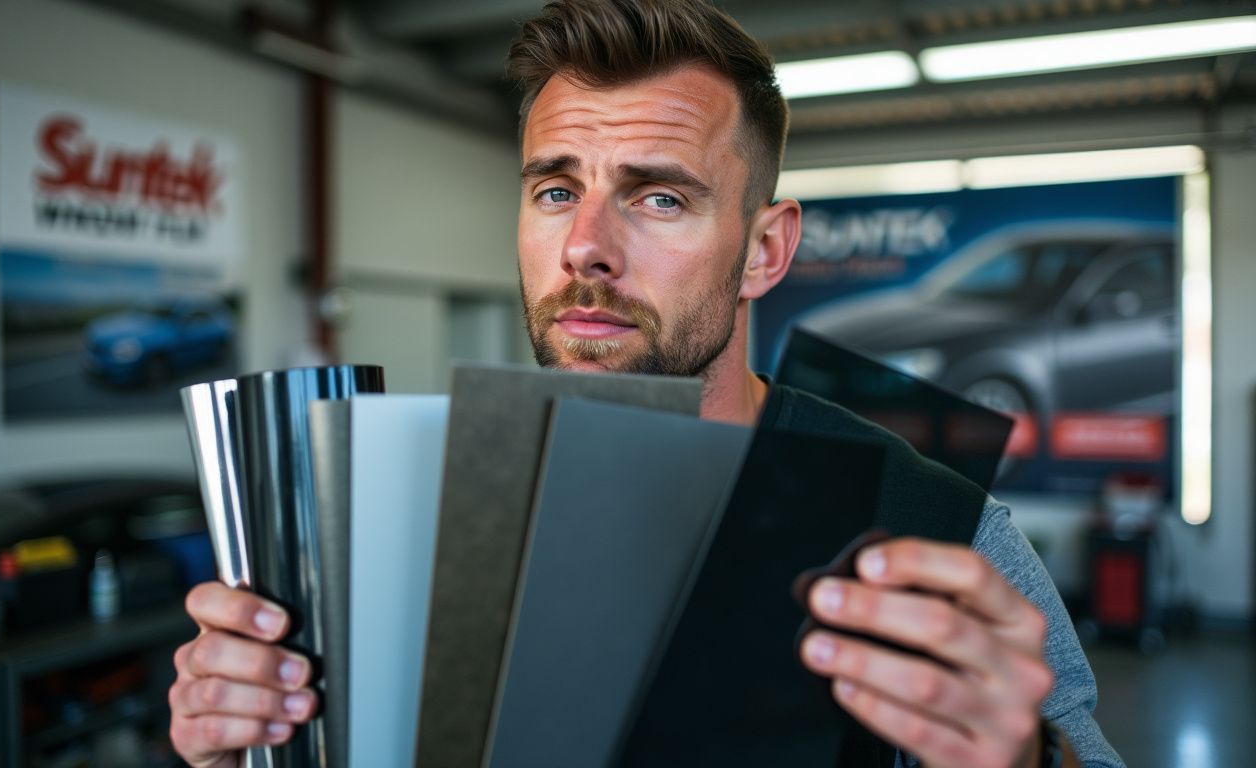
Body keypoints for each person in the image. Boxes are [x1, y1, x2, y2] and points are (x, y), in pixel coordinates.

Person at [168, 1, 1124, 766]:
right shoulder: (404, 516)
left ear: (763, 249)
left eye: (658, 196)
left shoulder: (938, 533)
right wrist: (243, 750)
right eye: (555, 190)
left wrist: (1028, 761)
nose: (586, 245)